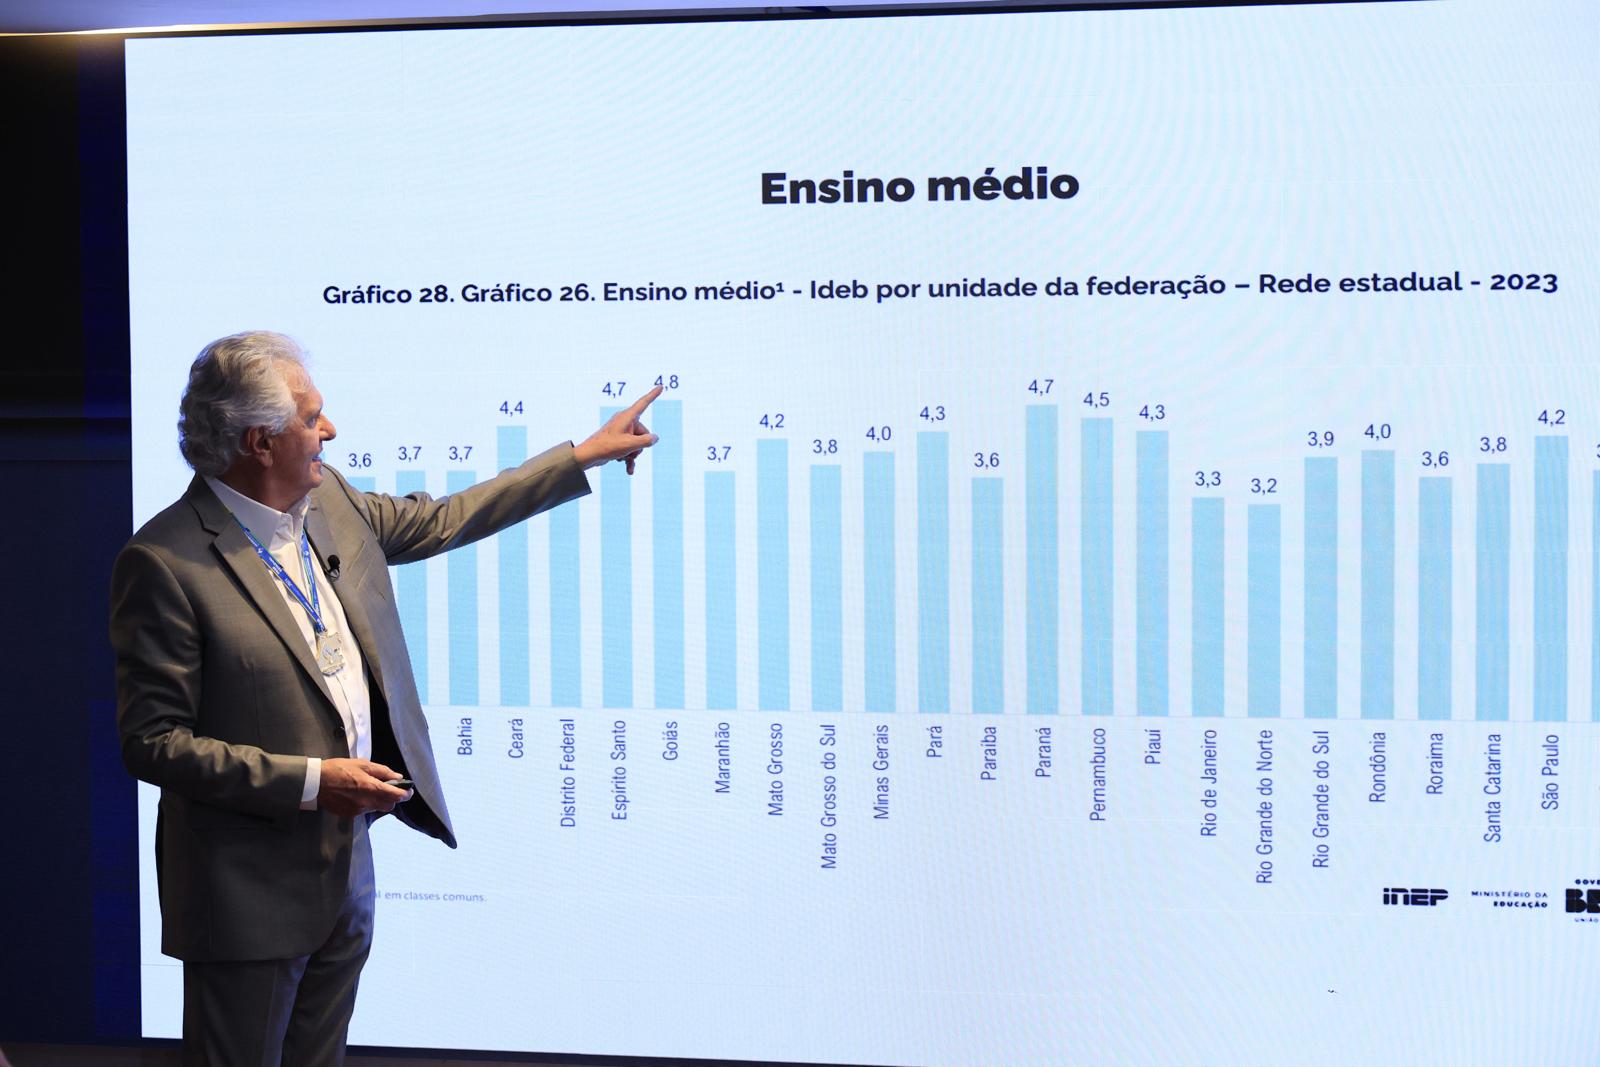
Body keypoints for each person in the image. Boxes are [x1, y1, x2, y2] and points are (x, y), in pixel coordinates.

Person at [110, 330, 658, 1064]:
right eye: (311, 418)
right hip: (245, 897)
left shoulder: (330, 500)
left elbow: (443, 518)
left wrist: (580, 456)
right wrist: (312, 782)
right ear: (260, 443)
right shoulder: (165, 562)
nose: (329, 430)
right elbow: (154, 742)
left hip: (345, 873)